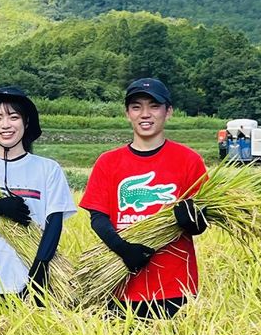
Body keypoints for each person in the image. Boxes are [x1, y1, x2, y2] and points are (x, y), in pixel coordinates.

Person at [79, 78, 208, 319]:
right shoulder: (108, 162)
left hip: (175, 285)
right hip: (120, 285)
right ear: (128, 113)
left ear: (168, 111)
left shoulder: (189, 160)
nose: (145, 114)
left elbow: (202, 222)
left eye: (154, 106)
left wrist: (192, 221)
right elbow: (98, 217)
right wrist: (122, 249)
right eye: (137, 106)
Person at [0, 87, 77, 303]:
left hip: (33, 283)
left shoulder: (48, 168)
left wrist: (39, 271)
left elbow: (54, 224)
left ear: (26, 122)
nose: (5, 125)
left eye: (14, 117)